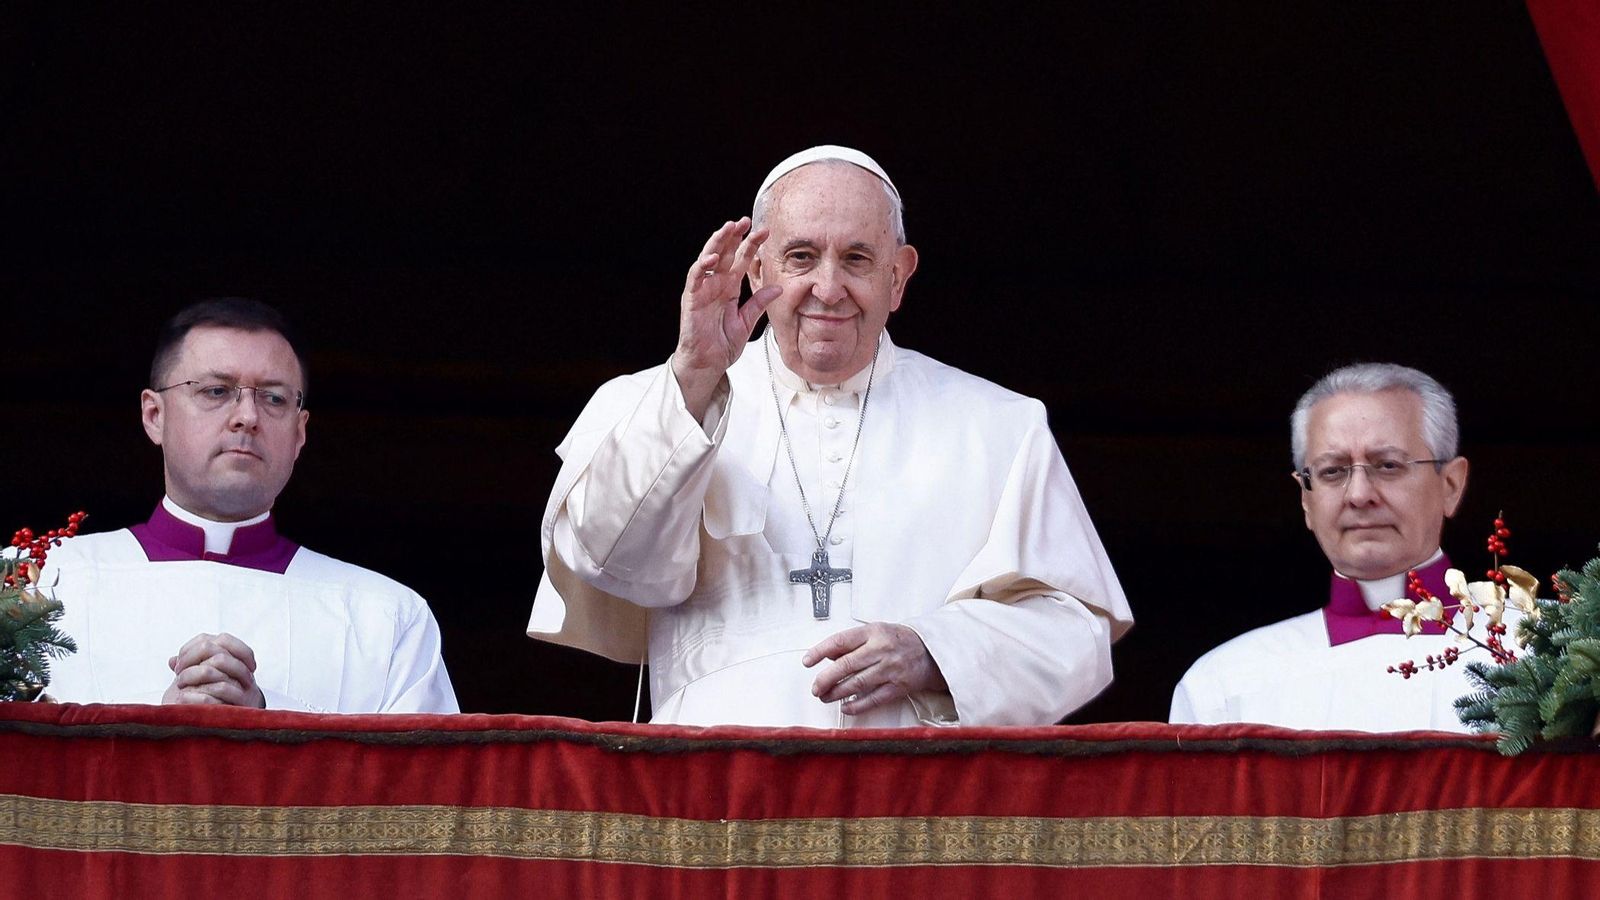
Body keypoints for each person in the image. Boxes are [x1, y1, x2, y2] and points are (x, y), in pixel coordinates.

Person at [528, 146, 1132, 728]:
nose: (828, 286)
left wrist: (933, 651)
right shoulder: (651, 404)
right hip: (715, 806)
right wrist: (692, 374)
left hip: (914, 810)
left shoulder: (999, 425)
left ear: (899, 277)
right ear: (756, 267)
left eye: (858, 259)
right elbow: (610, 561)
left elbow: (1072, 632)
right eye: (800, 256)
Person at [45, 298, 458, 713]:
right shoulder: (39, 584)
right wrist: (155, 723)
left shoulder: (384, 617)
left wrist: (263, 720)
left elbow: (424, 777)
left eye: (274, 399)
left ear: (299, 433)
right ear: (154, 415)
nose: (247, 416)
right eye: (216, 391)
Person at [1170, 362, 1485, 732]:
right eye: (1333, 471)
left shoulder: (1545, 651)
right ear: (1305, 498)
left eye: (1387, 465)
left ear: (1450, 484)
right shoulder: (1226, 684)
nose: (1360, 495)